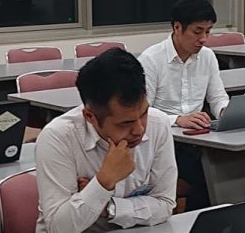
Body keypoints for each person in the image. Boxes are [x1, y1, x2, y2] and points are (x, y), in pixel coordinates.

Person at [35, 48, 176, 233]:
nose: (139, 130)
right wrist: (105, 180)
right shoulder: (58, 138)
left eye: (144, 114)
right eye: (125, 123)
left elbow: (165, 204)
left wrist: (110, 207)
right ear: (90, 116)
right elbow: (59, 228)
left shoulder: (159, 124)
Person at [137, 0, 227, 212]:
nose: (203, 39)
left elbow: (217, 98)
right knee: (211, 175)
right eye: (197, 31)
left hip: (200, 139)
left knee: (237, 166)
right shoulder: (151, 59)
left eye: (208, 31)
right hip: (164, 142)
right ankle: (199, 224)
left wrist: (226, 112)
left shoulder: (208, 57)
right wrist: (178, 119)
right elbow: (142, 113)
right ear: (177, 27)